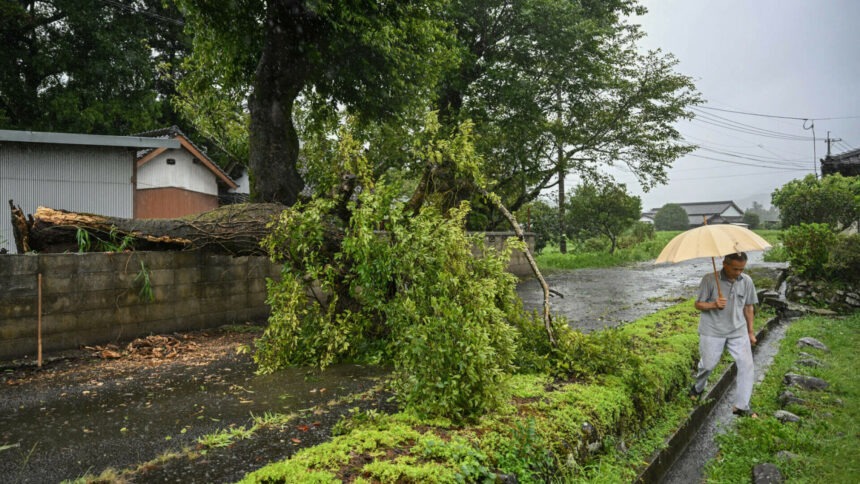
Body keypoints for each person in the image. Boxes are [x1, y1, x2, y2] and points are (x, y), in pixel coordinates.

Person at [689, 252, 759, 417]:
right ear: (724, 264)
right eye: (735, 269)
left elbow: (748, 307)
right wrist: (713, 304)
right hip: (712, 330)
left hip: (738, 330)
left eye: (741, 269)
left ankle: (742, 406)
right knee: (708, 365)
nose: (738, 272)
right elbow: (698, 304)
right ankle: (698, 388)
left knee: (746, 365)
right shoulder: (709, 279)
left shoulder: (746, 281)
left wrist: (750, 332)